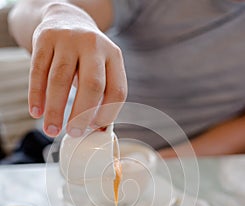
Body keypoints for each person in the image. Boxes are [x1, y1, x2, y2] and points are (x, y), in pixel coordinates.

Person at [8, 0, 245, 157]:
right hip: (57, 154)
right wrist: (58, 14)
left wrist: (164, 163)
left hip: (191, 164)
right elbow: (28, 8)